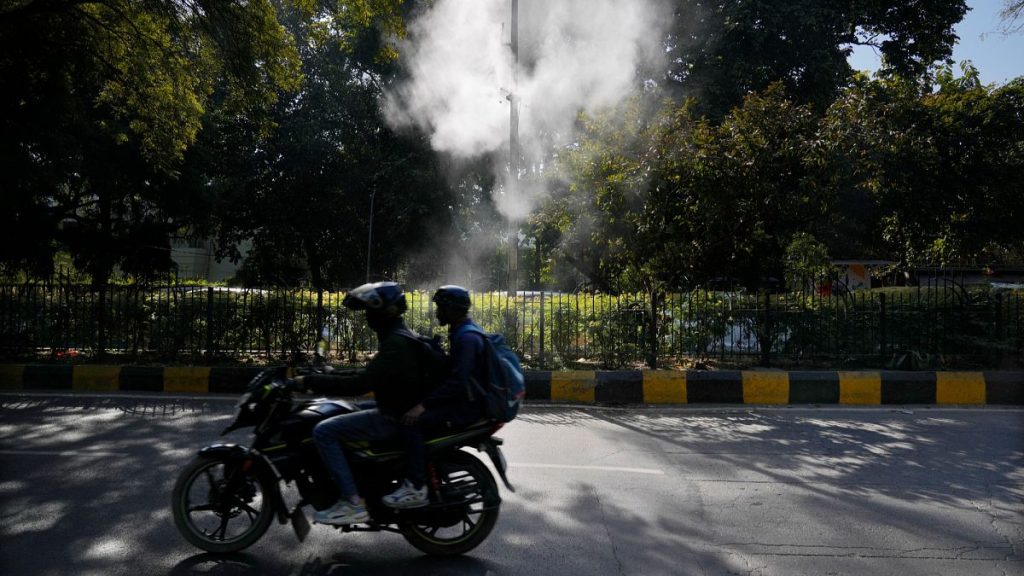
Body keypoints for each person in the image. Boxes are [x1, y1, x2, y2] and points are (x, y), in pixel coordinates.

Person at [294, 281, 430, 526]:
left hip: (392, 416)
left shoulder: (396, 345)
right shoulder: (396, 338)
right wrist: (327, 375)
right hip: (392, 408)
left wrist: (311, 381)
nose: (367, 318)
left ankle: (353, 502)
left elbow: (361, 384)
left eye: (370, 311)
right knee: (341, 411)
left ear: (386, 311)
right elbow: (368, 375)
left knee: (324, 431)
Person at [382, 285, 487, 509]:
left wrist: (422, 405)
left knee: (411, 422)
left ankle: (415, 485)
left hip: (466, 409)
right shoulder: (461, 331)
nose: (437, 312)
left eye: (440, 307)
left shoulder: (467, 338)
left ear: (452, 310)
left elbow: (457, 383)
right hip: (463, 402)